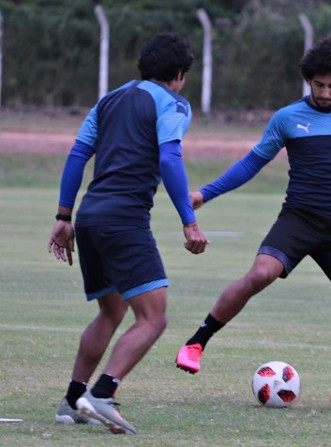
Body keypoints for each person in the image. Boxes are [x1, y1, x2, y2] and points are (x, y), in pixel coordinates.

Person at [174, 36, 331, 413]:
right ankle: (196, 343)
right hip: (299, 219)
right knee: (260, 273)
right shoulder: (288, 118)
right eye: (319, 85)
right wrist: (205, 194)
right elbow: (251, 163)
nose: (325, 93)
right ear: (308, 81)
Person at [48, 32, 209, 435]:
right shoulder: (173, 103)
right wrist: (189, 220)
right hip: (124, 220)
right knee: (153, 318)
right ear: (179, 74)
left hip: (90, 216)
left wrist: (63, 215)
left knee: (112, 310)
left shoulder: (108, 99)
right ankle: (102, 394)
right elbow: (170, 156)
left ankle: (71, 402)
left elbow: (78, 154)